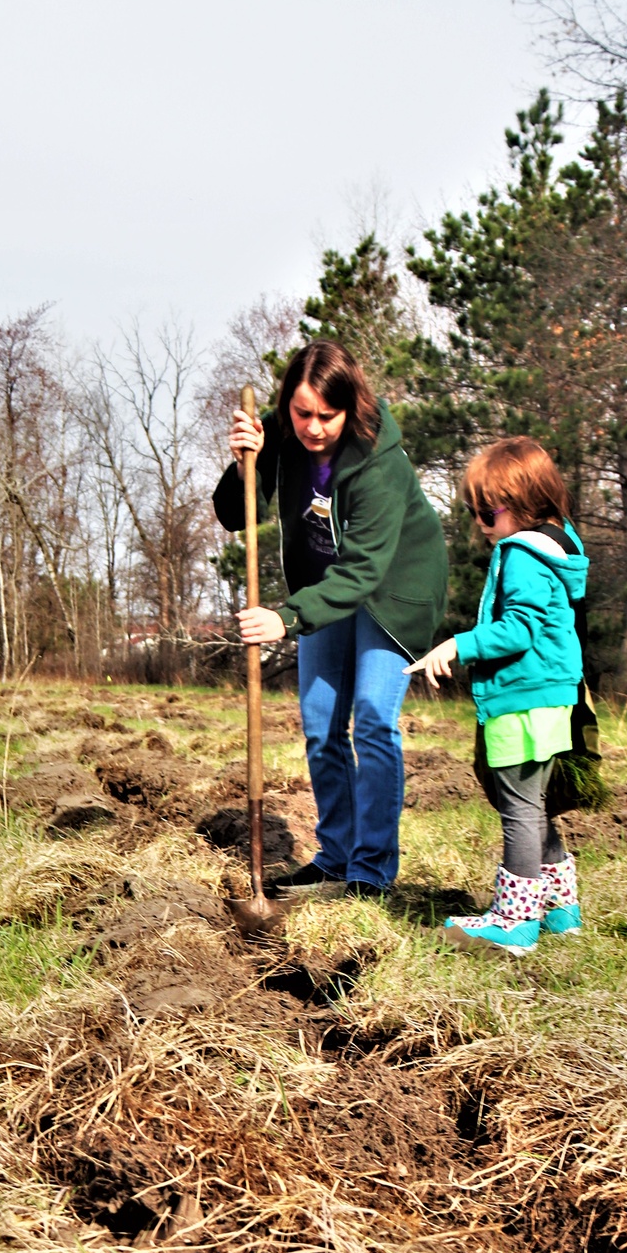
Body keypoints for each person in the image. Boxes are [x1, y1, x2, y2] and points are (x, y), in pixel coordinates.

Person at [213, 340, 448, 898]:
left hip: (393, 588)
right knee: (321, 725)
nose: (313, 428)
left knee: (371, 718)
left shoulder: (377, 461)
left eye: (327, 416)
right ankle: (336, 856)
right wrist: (244, 458)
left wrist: (287, 618)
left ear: (350, 407)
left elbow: (365, 571)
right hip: (326, 587)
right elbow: (230, 513)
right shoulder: (281, 433)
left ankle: (371, 871)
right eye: (302, 413)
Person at [405, 437, 588, 954]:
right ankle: (558, 907)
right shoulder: (556, 546)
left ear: (528, 506)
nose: (481, 523)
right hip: (551, 696)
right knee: (537, 801)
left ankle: (516, 920)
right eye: (474, 511)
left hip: (522, 697)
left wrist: (456, 646)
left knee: (519, 805)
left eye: (489, 511)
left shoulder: (523, 555)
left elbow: (519, 629)